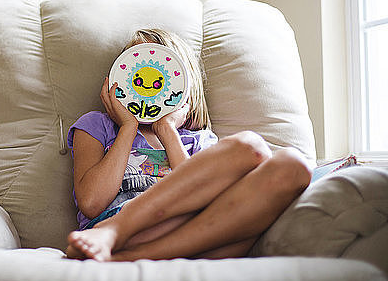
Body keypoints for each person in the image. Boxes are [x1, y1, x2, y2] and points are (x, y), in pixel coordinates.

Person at [65, 28, 312, 262]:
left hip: (191, 230)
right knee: (251, 146)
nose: (149, 88)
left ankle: (126, 259)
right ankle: (114, 231)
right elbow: (92, 203)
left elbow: (205, 202)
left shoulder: (198, 141)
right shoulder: (99, 126)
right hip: (121, 223)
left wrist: (167, 130)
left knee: (292, 166)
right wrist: (128, 127)